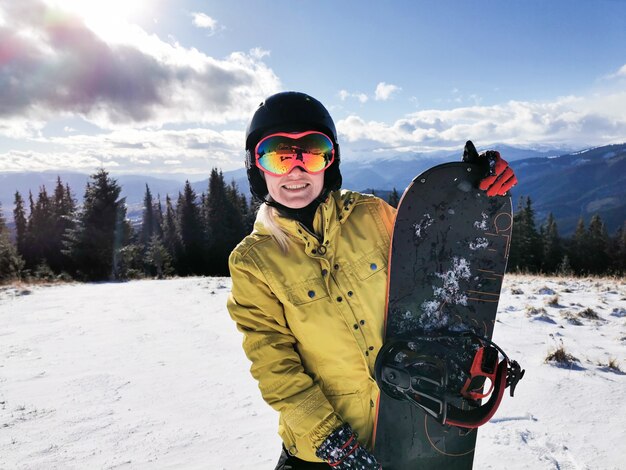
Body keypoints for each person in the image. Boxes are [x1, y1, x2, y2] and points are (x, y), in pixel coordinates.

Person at [226, 91, 517, 469]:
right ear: (257, 166)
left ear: (329, 162)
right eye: (278, 155)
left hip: (406, 437)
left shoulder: (371, 217)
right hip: (319, 455)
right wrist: (334, 443)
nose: (296, 170)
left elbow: (437, 255)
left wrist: (474, 189)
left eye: (312, 152)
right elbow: (274, 366)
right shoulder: (253, 263)